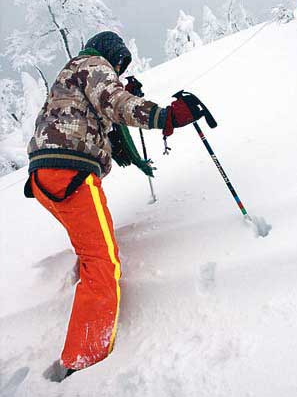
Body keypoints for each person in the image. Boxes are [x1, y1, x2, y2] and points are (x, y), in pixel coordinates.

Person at [24, 31, 201, 381]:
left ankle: (80, 292)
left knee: (89, 246)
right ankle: (85, 356)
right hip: (70, 174)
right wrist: (166, 116)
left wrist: (119, 105)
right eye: (119, 63)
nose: (118, 70)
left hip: (44, 176)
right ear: (110, 53)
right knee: (104, 263)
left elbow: (95, 111)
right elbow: (115, 102)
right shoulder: (95, 65)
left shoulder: (72, 72)